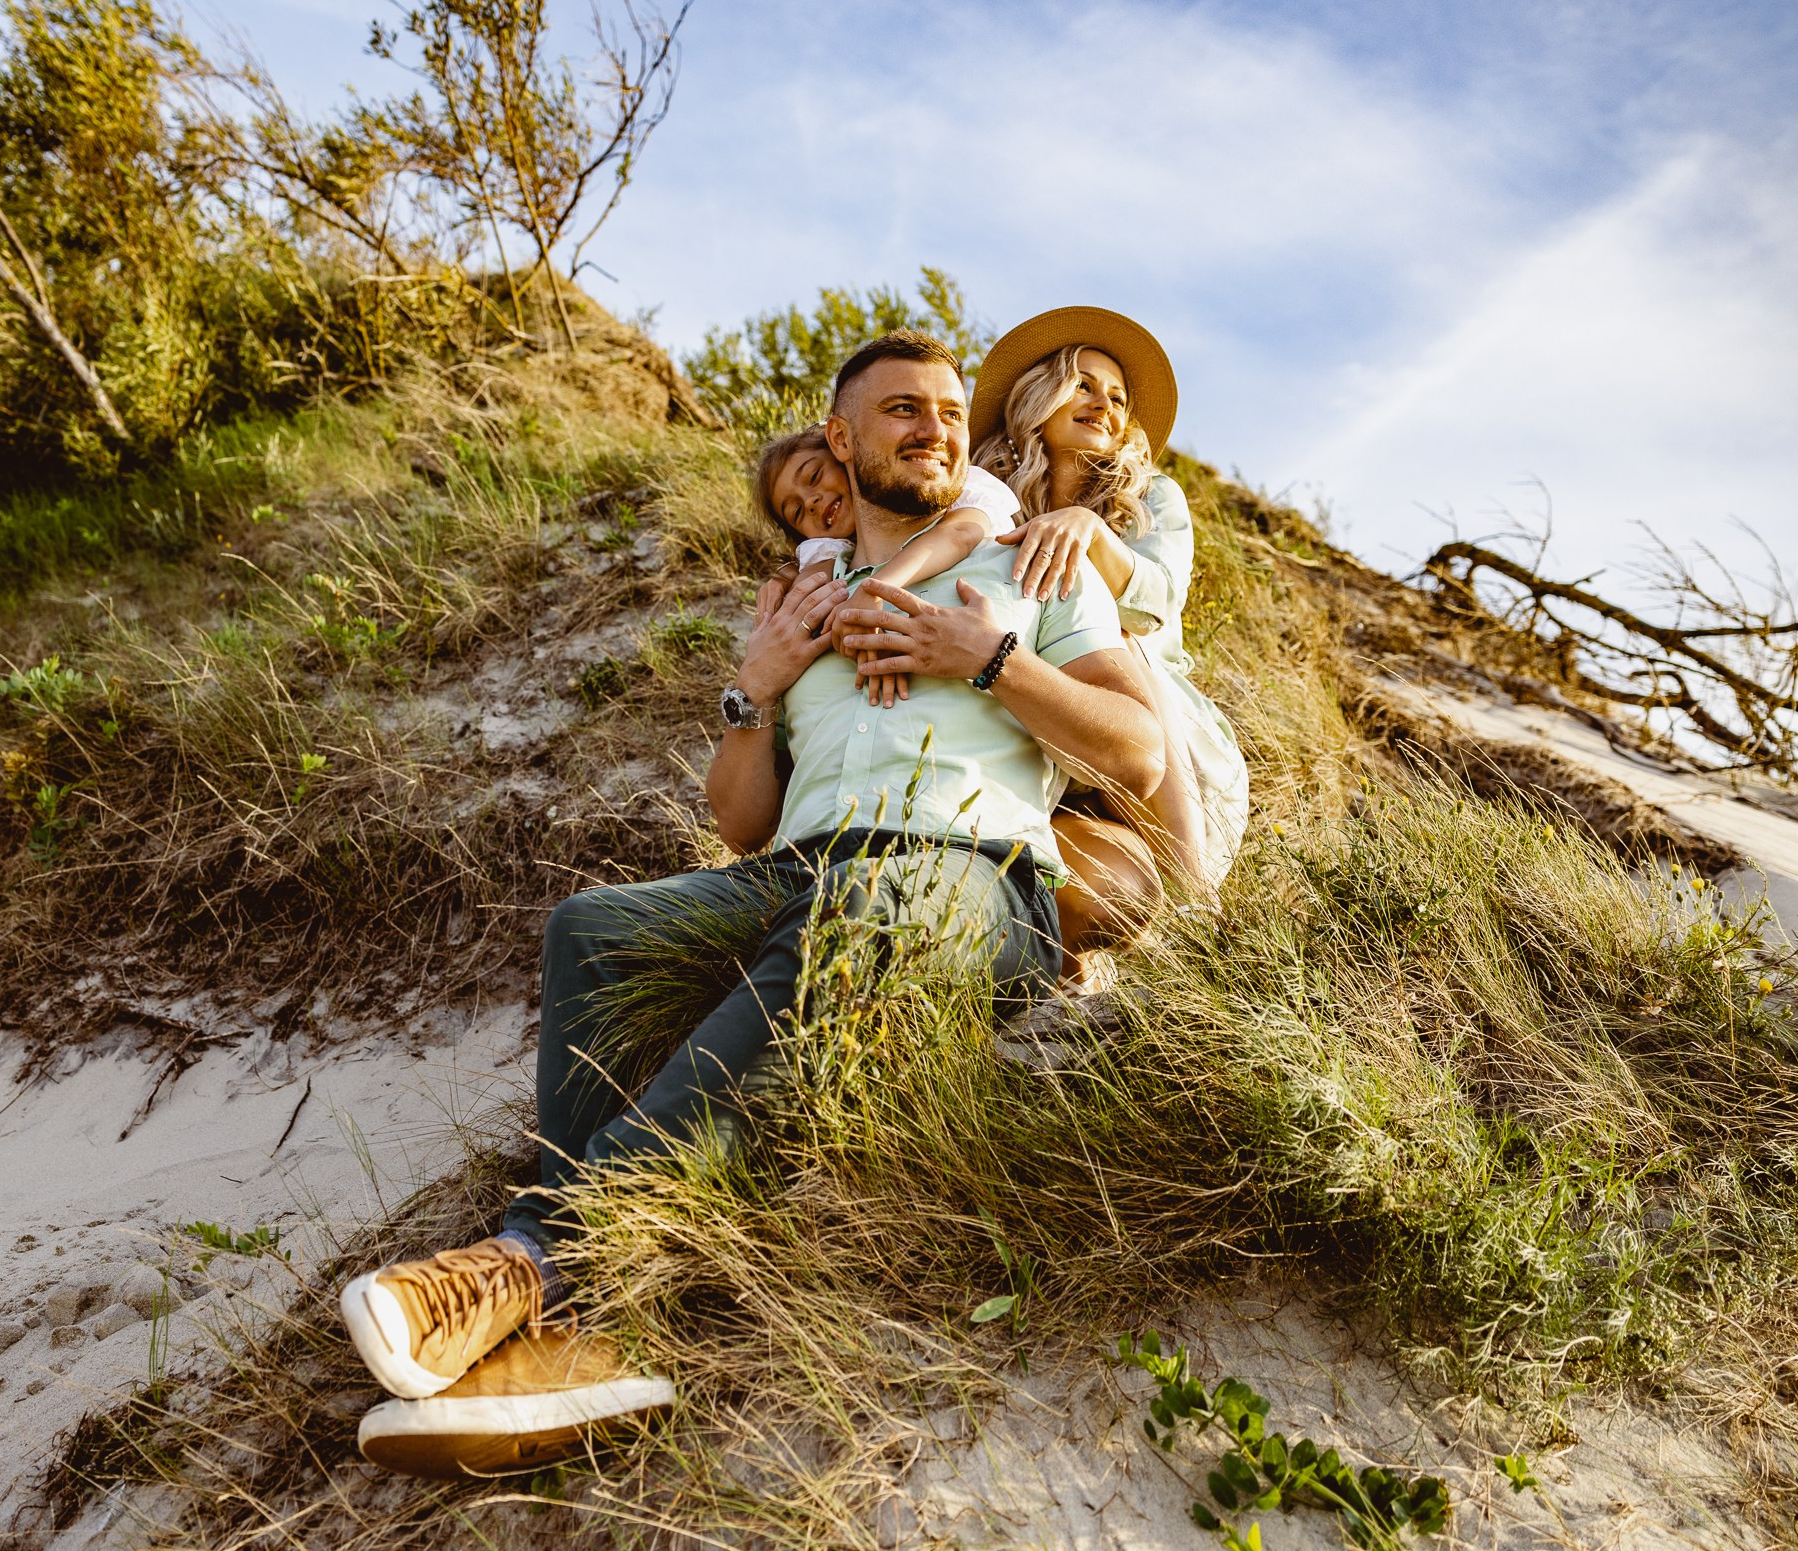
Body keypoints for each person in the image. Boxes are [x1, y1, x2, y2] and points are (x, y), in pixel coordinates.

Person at [340, 330, 1166, 1476]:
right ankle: (592, 1335)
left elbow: (1138, 753)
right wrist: (755, 689)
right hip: (797, 867)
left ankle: (539, 1261)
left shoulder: (1028, 563)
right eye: (901, 409)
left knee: (872, 904)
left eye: (946, 409)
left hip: (977, 876)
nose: (933, 427)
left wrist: (987, 659)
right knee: (596, 929)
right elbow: (741, 821)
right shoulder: (803, 601)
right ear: (840, 437)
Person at [967, 308, 1250, 980]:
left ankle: (1196, 904)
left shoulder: (1154, 500)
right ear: (1038, 398)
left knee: (1116, 636)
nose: (1104, 405)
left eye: (1118, 399)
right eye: (1083, 385)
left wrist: (1087, 530)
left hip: (1153, 741)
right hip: (1035, 724)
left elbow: (1155, 604)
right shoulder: (984, 496)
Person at [754, 429, 1019, 706]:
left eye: (814, 476)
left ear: (847, 455)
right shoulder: (831, 550)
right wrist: (785, 578)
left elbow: (959, 533)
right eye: (796, 512)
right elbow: (810, 589)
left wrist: (875, 589)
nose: (809, 502)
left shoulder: (954, 490)